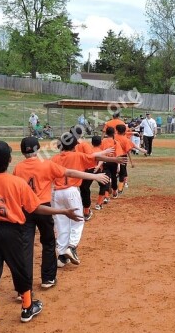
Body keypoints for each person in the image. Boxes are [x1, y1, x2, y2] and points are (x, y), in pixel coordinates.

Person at [0, 140, 82, 333]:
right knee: (20, 269)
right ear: (10, 159)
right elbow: (36, 207)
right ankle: (27, 308)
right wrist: (63, 212)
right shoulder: (16, 182)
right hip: (13, 231)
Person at [13, 136, 110, 289]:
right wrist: (94, 176)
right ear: (38, 149)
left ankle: (23, 288)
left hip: (26, 209)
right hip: (43, 207)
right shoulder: (46, 164)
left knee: (26, 246)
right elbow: (71, 173)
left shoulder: (18, 168)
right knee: (49, 242)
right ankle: (48, 278)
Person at [51, 130, 126, 265]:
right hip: (71, 192)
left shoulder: (54, 158)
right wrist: (114, 159)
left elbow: (94, 155)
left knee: (61, 224)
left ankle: (61, 257)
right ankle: (72, 247)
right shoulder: (77, 155)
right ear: (75, 145)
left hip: (56, 193)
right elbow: (95, 158)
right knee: (78, 221)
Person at [115, 123, 147, 194]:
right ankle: (120, 189)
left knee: (112, 172)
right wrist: (142, 150)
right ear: (124, 131)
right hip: (122, 157)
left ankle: (112, 188)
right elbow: (133, 146)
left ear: (116, 130)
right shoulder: (125, 139)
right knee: (122, 173)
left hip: (112, 157)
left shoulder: (113, 137)